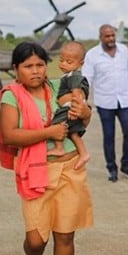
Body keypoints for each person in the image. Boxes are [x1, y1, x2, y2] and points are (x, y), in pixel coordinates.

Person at [0, 41, 94, 255]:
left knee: (65, 236)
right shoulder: (11, 95)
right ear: (16, 69)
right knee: (36, 239)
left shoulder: (58, 87)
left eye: (40, 65)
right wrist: (48, 133)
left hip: (69, 168)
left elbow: (82, 117)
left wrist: (84, 112)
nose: (36, 71)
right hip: (36, 171)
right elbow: (9, 135)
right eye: (28, 66)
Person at [83, 24, 128, 182]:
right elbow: (87, 78)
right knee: (109, 136)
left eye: (112, 35)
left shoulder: (124, 51)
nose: (111, 39)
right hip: (105, 101)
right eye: (107, 36)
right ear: (100, 37)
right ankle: (112, 169)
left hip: (125, 99)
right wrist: (83, 99)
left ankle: (126, 165)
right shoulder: (92, 55)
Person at [48, 41, 91, 170]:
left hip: (69, 108)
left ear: (81, 63)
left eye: (69, 62)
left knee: (56, 124)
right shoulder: (68, 75)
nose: (63, 64)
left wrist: (74, 109)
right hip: (70, 107)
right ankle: (83, 153)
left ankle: (59, 148)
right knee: (74, 133)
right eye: (61, 60)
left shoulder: (74, 76)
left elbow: (77, 93)